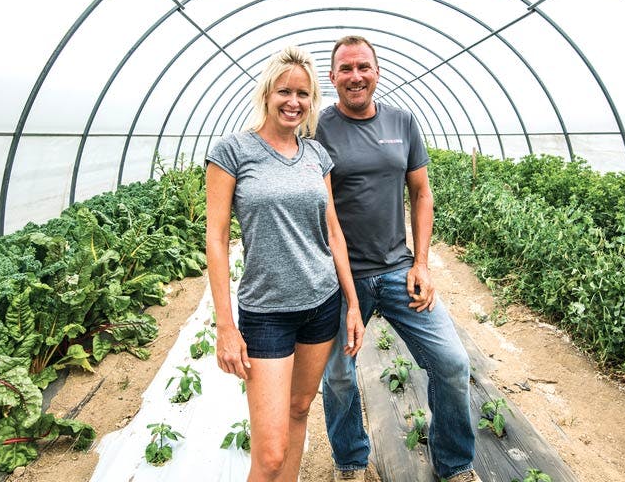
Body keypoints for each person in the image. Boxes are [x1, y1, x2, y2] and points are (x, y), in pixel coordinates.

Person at [317, 36, 480, 482]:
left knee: (451, 363)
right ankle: (350, 463)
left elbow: (422, 192)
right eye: (346, 68)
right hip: (339, 277)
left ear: (377, 72)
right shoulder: (317, 127)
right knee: (338, 375)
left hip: (396, 269)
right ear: (331, 78)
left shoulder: (403, 121)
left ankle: (455, 463)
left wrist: (421, 263)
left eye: (363, 67)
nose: (356, 76)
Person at [205, 45, 365, 482]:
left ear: (313, 100)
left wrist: (351, 303)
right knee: (270, 452)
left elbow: (333, 231)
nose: (293, 102)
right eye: (284, 92)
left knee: (299, 411)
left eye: (303, 93)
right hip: (267, 312)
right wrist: (225, 326)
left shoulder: (316, 156)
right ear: (267, 94)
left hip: (320, 304)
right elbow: (216, 239)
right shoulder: (233, 152)